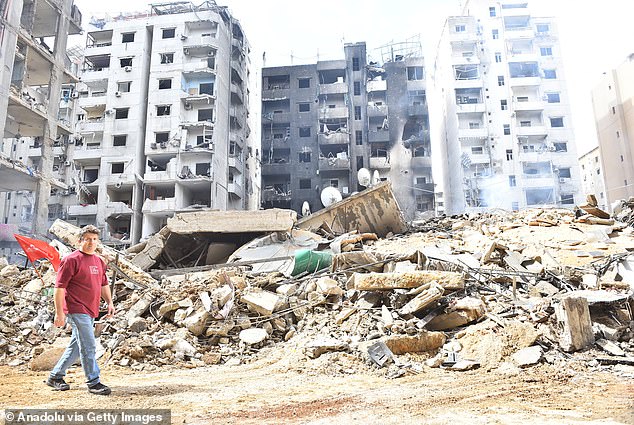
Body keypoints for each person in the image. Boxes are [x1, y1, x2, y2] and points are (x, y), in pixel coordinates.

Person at [46, 225, 115, 395]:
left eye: (94, 239)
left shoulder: (99, 261)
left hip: (91, 309)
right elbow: (59, 288)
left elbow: (104, 284)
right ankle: (94, 381)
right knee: (89, 345)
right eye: (87, 239)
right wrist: (59, 312)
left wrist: (110, 302)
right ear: (80, 241)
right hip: (76, 309)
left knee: (77, 346)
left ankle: (55, 376)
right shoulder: (71, 260)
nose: (91, 242)